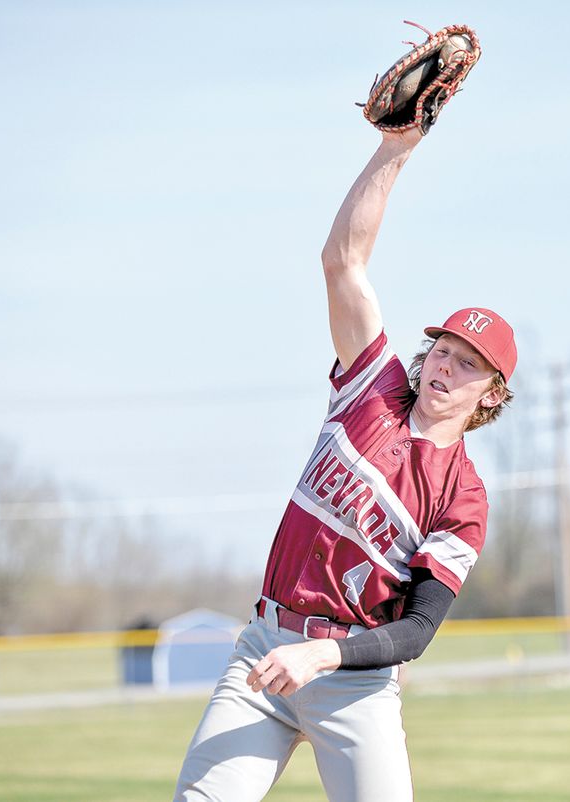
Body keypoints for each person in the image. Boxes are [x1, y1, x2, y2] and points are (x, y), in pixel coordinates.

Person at [172, 125, 517, 802]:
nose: (447, 365)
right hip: (266, 648)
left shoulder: (463, 496)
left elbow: (416, 631)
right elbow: (343, 262)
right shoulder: (373, 390)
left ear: (491, 394)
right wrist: (396, 148)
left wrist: (327, 653)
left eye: (468, 363)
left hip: (353, 681)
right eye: (445, 349)